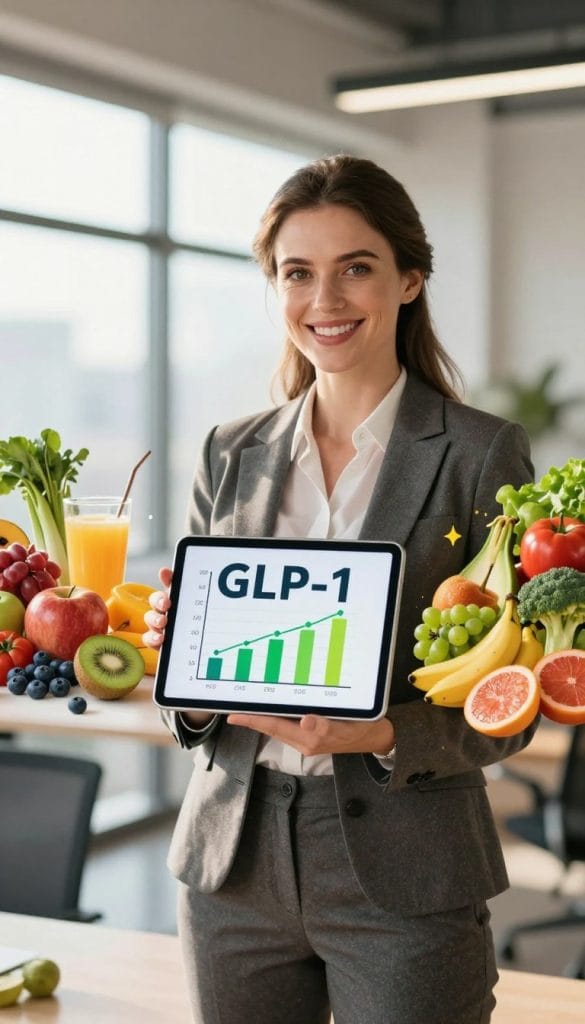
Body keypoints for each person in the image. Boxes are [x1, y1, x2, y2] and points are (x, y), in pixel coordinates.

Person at [144, 154, 536, 1024]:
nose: (325, 299)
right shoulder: (229, 451)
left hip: (404, 865)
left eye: (355, 267)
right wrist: (188, 664)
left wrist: (385, 728)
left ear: (408, 278)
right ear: (274, 288)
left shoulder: (480, 455)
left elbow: (512, 701)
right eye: (297, 272)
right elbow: (191, 700)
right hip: (232, 862)